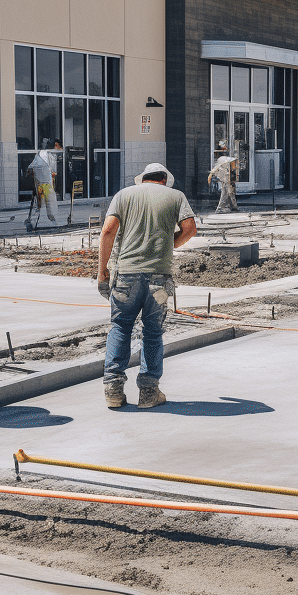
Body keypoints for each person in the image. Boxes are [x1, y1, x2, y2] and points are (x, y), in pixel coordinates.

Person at [97, 162, 196, 410]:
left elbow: (108, 231)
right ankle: (149, 393)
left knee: (120, 327)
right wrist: (168, 244)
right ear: (164, 180)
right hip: (159, 279)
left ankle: (113, 391)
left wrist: (102, 272)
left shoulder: (124, 195)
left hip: (126, 276)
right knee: (152, 333)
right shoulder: (176, 196)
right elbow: (190, 229)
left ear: (143, 180)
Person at [25, 142, 59, 231]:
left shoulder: (40, 156)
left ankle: (40, 219)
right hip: (46, 184)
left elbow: (31, 166)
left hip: (40, 184)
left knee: (41, 204)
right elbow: (53, 171)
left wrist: (28, 173)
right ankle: (51, 220)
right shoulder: (49, 156)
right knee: (48, 203)